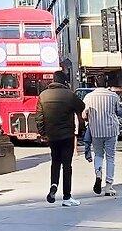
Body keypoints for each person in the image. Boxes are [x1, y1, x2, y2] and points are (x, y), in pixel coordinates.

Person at [36, 71, 86, 206]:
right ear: (64, 81)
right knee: (67, 165)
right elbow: (81, 106)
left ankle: (53, 185)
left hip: (52, 135)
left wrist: (43, 133)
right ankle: (67, 197)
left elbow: (39, 117)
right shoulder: (69, 95)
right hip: (67, 135)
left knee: (55, 162)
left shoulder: (43, 95)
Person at [81, 74, 122, 197]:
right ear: (106, 83)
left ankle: (98, 173)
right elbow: (119, 112)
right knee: (110, 157)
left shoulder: (88, 97)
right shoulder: (113, 96)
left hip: (96, 131)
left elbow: (84, 115)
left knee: (98, 155)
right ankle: (108, 186)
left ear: (95, 83)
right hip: (111, 130)